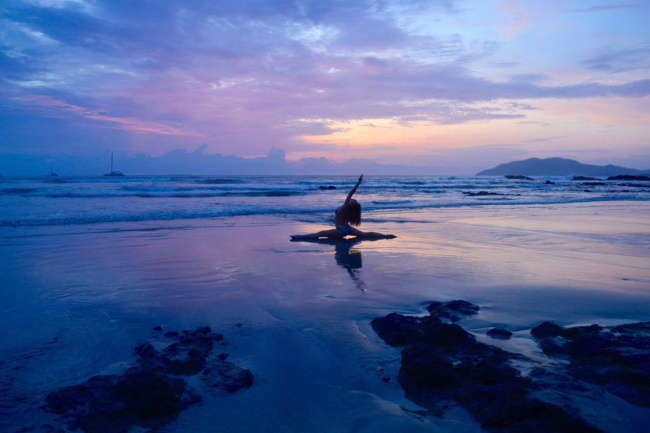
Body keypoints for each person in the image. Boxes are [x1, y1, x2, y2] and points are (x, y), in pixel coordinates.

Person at [290, 175, 395, 240]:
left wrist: (358, 183)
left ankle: (299, 237)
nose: (353, 199)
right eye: (354, 200)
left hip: (340, 231)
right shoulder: (348, 209)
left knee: (320, 234)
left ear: (351, 204)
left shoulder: (346, 206)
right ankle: (385, 236)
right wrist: (351, 271)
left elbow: (350, 194)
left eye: (354, 201)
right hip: (347, 229)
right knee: (365, 234)